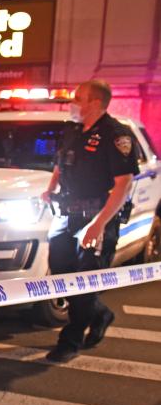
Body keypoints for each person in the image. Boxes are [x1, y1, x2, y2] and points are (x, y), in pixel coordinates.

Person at [41, 79, 139, 362]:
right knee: (61, 273)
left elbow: (123, 185)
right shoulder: (73, 130)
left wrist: (98, 225)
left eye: (78, 98)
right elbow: (61, 163)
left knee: (84, 282)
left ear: (95, 103)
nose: (73, 102)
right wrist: (50, 188)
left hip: (97, 217)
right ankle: (100, 314)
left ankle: (69, 341)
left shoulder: (115, 135)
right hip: (66, 214)